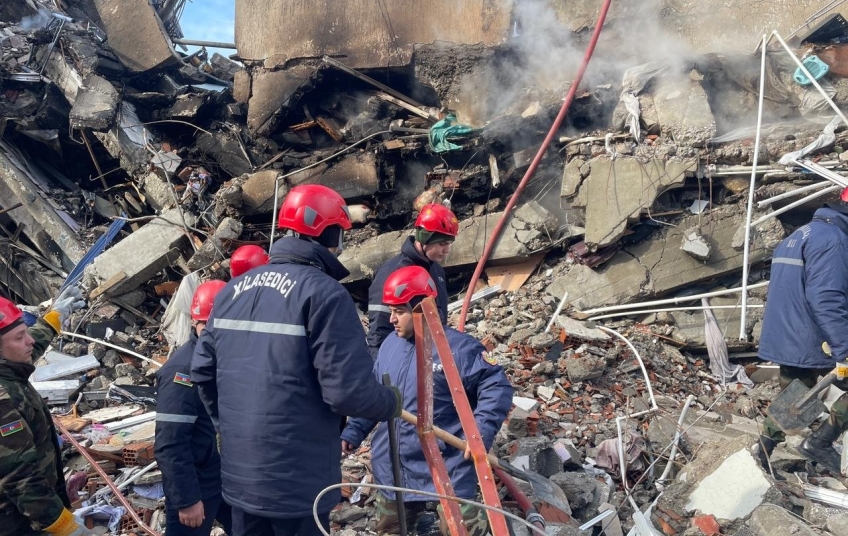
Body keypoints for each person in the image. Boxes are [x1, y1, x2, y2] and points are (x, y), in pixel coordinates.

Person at [191, 184, 402, 536]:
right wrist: (389, 402)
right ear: (329, 233)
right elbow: (347, 392)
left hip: (241, 478)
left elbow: (203, 373)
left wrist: (228, 427)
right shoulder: (325, 294)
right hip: (298, 483)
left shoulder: (231, 292)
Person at [342, 266, 513, 536]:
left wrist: (479, 433)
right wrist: (353, 430)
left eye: (399, 312)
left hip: (448, 462)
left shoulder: (459, 349)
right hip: (395, 463)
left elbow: (496, 386)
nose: (391, 319)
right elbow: (376, 395)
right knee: (389, 529)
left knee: (462, 529)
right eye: (390, 311)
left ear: (421, 308)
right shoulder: (390, 346)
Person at [758, 188, 848, 474]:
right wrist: (844, 349)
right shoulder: (834, 241)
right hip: (812, 336)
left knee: (797, 398)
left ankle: (761, 454)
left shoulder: (799, 235)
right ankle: (820, 442)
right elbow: (826, 297)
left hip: (788, 335)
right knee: (800, 398)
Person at [0, 288, 93, 536]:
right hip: (18, 523)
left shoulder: (9, 370)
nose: (30, 341)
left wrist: (53, 319)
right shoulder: (3, 401)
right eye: (20, 337)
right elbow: (20, 477)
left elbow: (29, 345)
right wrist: (64, 526)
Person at [156, 280, 232, 536]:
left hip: (226, 475)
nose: (214, 334)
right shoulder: (182, 371)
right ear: (194, 322)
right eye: (207, 326)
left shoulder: (227, 359)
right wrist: (187, 500)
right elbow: (170, 442)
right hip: (197, 482)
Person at [366, 204, 459, 358]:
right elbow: (378, 332)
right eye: (442, 243)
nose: (447, 250)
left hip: (431, 355)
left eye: (449, 243)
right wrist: (383, 367)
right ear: (425, 239)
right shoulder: (391, 273)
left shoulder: (437, 271)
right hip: (401, 358)